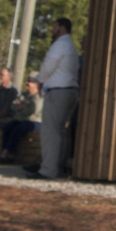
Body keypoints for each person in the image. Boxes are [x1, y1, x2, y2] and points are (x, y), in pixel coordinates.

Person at [35, 16, 79, 180]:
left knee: (51, 132)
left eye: (54, 27)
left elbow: (48, 67)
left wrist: (40, 80)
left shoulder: (60, 44)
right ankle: (58, 167)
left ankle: (48, 170)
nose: (52, 30)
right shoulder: (70, 46)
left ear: (61, 28)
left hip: (58, 90)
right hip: (70, 90)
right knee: (61, 132)